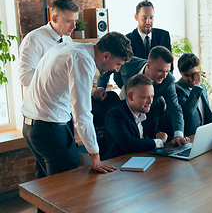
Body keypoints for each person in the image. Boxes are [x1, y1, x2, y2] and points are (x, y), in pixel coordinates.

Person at [22, 32, 133, 182]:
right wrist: (95, 154)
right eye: (118, 64)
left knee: (46, 191)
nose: (117, 70)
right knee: (67, 188)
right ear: (106, 55)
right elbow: (82, 114)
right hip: (50, 129)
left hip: (31, 127)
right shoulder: (83, 60)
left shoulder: (68, 47)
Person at [93, 0, 171, 101]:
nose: (148, 22)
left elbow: (169, 66)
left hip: (158, 93)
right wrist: (101, 87)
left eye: (151, 18)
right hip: (133, 94)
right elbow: (110, 66)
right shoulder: (126, 40)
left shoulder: (164, 36)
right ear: (136, 17)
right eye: (144, 18)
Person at [109, 46, 188, 146]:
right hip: (124, 100)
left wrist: (178, 135)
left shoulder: (168, 80)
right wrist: (101, 87)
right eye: (160, 70)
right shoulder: (129, 63)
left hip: (148, 111)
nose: (164, 76)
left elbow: (175, 108)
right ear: (149, 65)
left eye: (167, 71)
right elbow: (109, 65)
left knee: (144, 137)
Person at [100, 74, 170, 160]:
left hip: (140, 158)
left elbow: (156, 132)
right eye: (145, 97)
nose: (150, 101)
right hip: (117, 164)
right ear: (130, 96)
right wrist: (159, 142)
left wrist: (169, 139)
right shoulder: (114, 115)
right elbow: (129, 143)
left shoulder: (146, 110)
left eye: (152, 96)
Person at [19, 0, 79, 87]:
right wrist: (58, 72)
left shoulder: (67, 39)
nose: (73, 26)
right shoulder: (33, 40)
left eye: (75, 21)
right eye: (69, 21)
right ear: (54, 19)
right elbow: (25, 78)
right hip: (40, 100)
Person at [175, 53, 212, 136]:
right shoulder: (177, 89)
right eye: (187, 75)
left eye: (193, 75)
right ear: (180, 72)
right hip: (189, 138)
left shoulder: (202, 87)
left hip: (204, 135)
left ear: (198, 69)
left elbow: (207, 112)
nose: (191, 79)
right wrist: (196, 86)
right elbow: (188, 111)